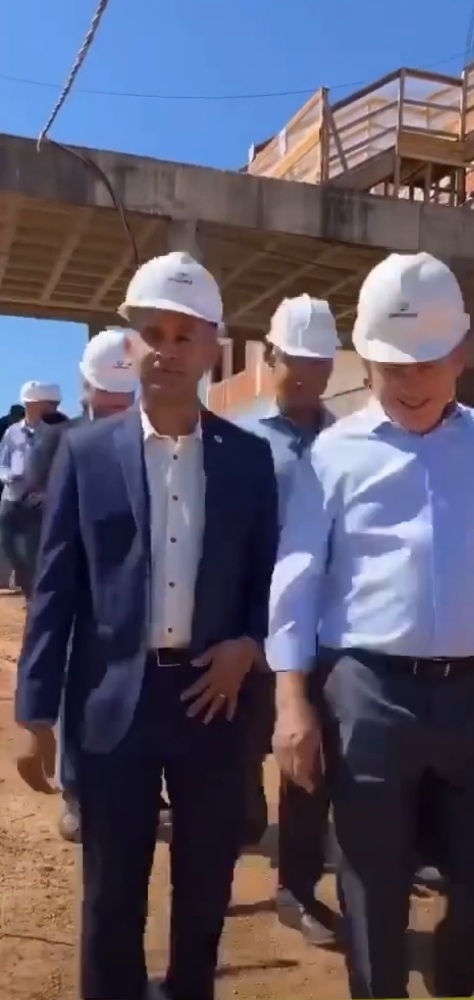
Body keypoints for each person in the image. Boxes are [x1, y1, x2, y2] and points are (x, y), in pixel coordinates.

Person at [268, 252, 474, 998]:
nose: (408, 383)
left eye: (426, 363)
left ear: (462, 353)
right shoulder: (334, 454)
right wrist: (292, 700)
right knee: (372, 889)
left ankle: (452, 980)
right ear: (366, 360)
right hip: (368, 695)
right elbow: (297, 583)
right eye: (390, 366)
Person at [14, 250, 279, 1000]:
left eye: (183, 335)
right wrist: (34, 712)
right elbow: (55, 590)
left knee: (204, 887)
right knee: (110, 895)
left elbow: (269, 580)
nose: (166, 350)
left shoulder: (248, 460)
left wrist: (249, 646)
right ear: (131, 345)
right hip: (111, 707)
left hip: (213, 703)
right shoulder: (85, 454)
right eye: (151, 334)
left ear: (212, 347)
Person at [23, 329, 160, 847]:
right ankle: (79, 791)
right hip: (86, 590)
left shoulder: (147, 437)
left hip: (120, 589)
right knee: (86, 688)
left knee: (121, 688)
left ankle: (117, 788)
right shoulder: (66, 441)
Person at [233, 294, 339, 947]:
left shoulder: (350, 441)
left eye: (318, 363)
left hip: (323, 632)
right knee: (237, 757)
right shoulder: (239, 440)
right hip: (250, 629)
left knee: (308, 764)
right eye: (294, 360)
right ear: (269, 356)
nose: (305, 374)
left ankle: (296, 890)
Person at [0, 381, 61, 596]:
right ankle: (25, 582)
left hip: (39, 501)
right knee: (6, 543)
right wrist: (8, 476)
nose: (54, 407)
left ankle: (32, 597)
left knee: (33, 551)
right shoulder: (12, 432)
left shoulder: (57, 432)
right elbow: (2, 463)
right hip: (12, 496)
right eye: (50, 403)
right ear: (33, 404)